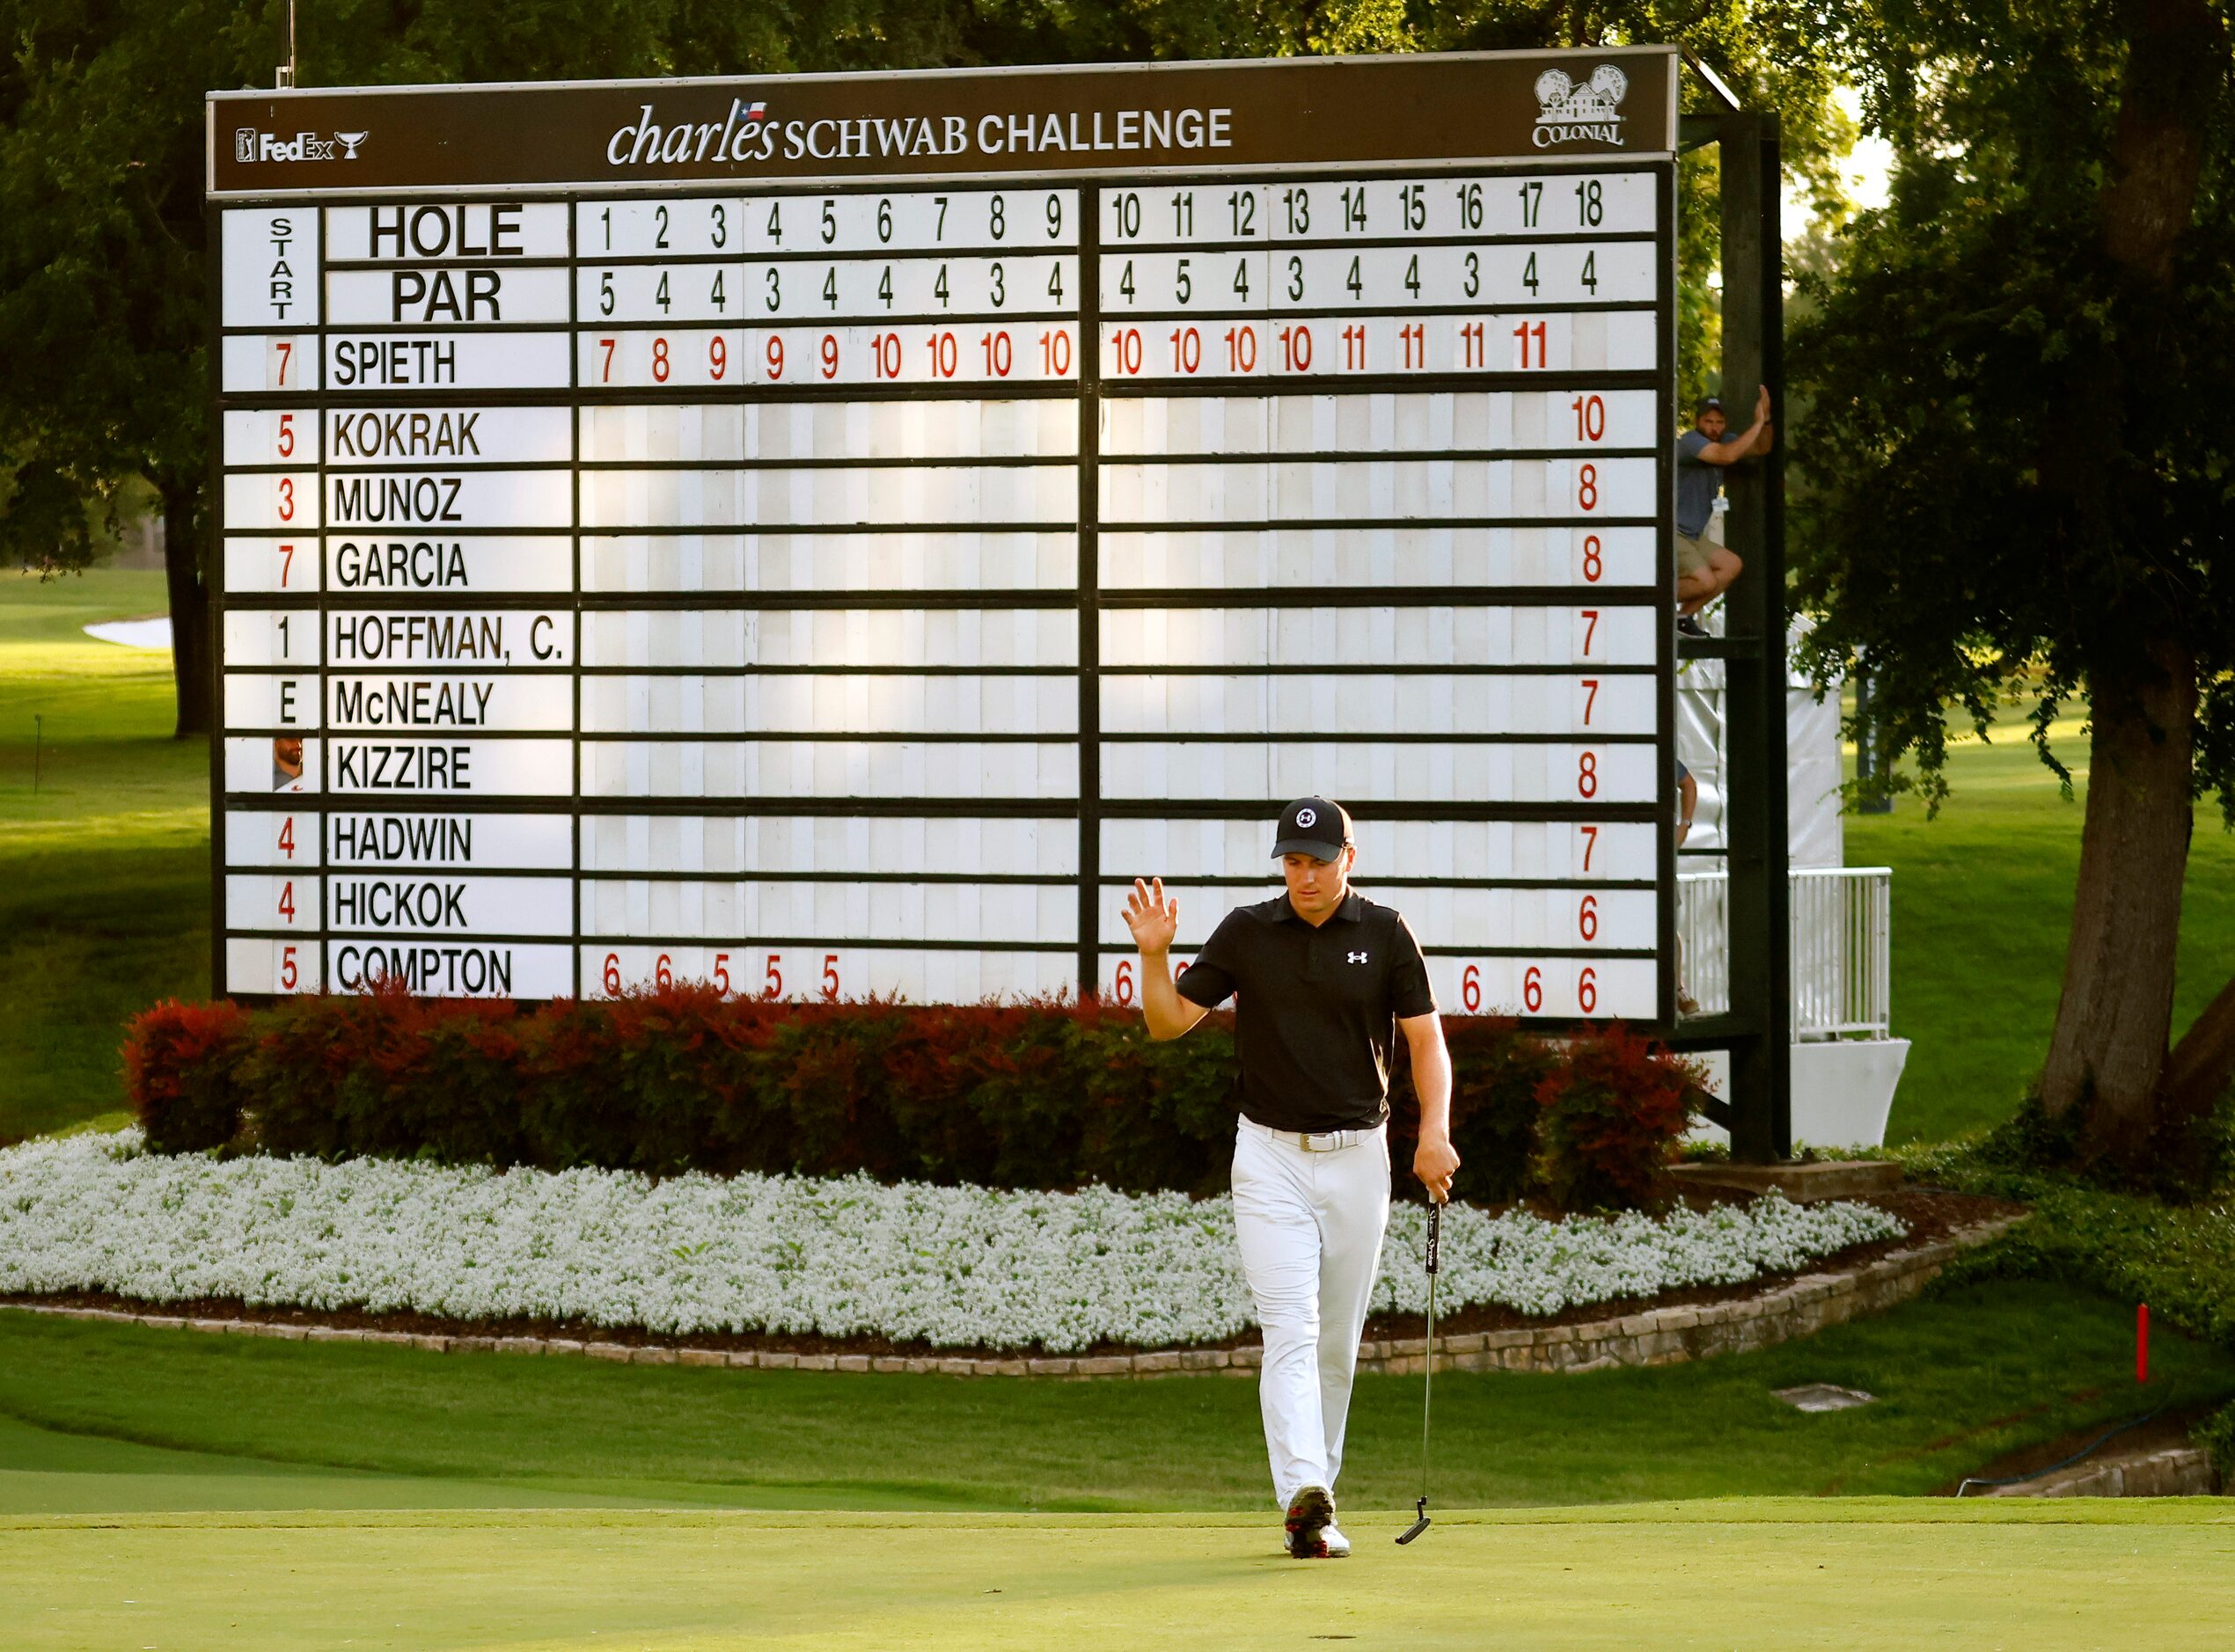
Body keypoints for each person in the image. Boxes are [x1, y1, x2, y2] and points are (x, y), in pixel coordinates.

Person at [1122, 796, 1458, 1561]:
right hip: (1268, 1156)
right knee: (1291, 1332)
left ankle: (1317, 1509)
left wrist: (1433, 1130)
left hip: (1359, 1160)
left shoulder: (1385, 933)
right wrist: (1153, 955)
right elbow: (1168, 1022)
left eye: (1319, 860)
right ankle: (1304, 1493)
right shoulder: (1247, 932)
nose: (1304, 875)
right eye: (1293, 861)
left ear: (1350, 857)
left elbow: (1426, 1041)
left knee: (1335, 1346)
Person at [1675, 386, 1773, 635]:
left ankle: (1682, 616)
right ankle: (1650, 597)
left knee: (1731, 565)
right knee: (1704, 581)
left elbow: (1762, 447)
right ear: (1697, 422)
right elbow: (1726, 457)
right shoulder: (1690, 442)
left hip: (1693, 534)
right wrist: (1757, 423)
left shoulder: (1727, 439)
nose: (1714, 427)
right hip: (1673, 531)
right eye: (1708, 421)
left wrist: (1766, 419)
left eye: (1719, 422)